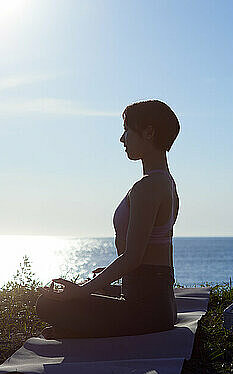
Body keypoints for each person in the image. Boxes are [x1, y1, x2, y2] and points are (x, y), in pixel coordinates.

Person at [35, 99, 180, 339]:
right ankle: (78, 328)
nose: (122, 139)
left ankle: (77, 329)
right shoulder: (166, 182)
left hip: (146, 311)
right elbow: (150, 261)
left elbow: (133, 257)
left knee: (47, 304)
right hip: (157, 302)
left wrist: (83, 291)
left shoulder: (149, 187)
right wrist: (110, 280)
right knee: (72, 296)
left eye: (126, 131)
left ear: (148, 132)